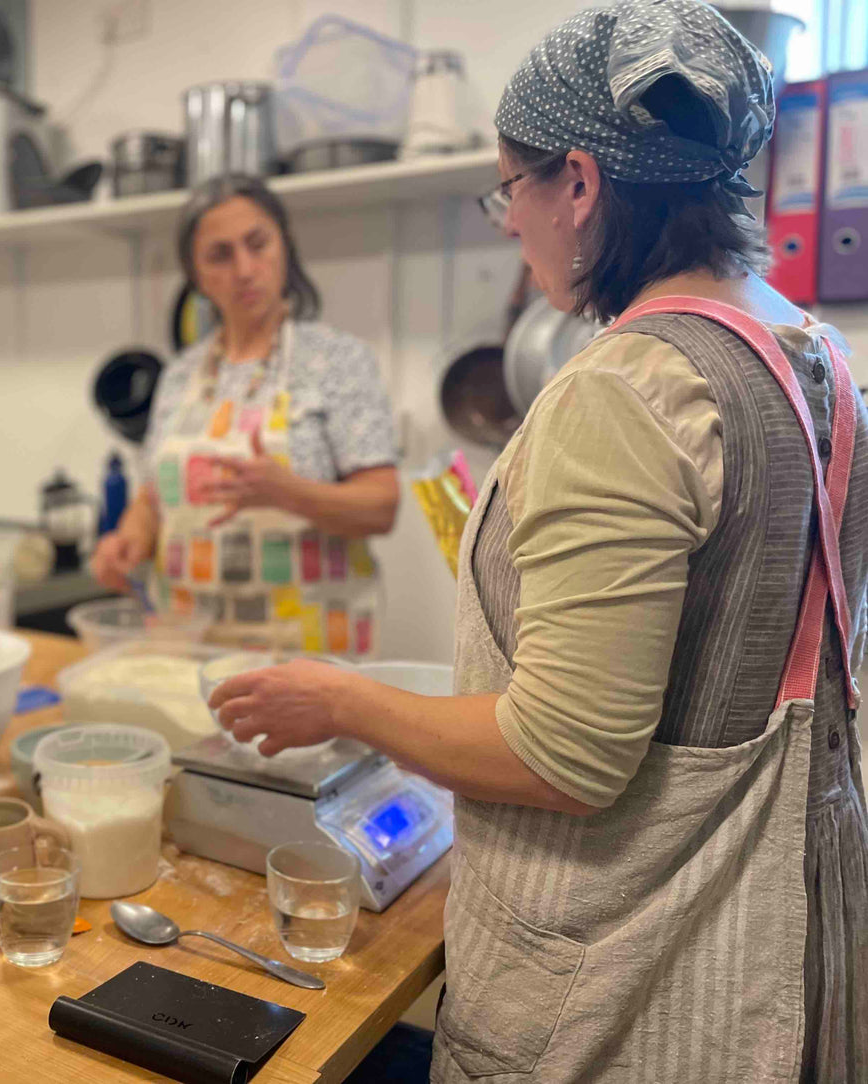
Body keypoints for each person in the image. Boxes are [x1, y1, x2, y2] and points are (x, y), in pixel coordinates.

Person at [210, 2, 867, 1081]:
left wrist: (339, 700)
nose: (506, 223)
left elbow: (564, 753)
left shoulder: (626, 391)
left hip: (632, 995)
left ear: (578, 182)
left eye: (509, 189)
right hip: (792, 958)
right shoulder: (816, 360)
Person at [91, 174, 400, 655]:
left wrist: (288, 493)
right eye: (220, 255)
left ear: (285, 244)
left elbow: (382, 506)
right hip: (186, 647)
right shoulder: (179, 375)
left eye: (258, 244)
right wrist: (128, 540)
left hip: (305, 657)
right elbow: (154, 500)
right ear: (195, 276)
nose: (245, 268)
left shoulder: (337, 362)